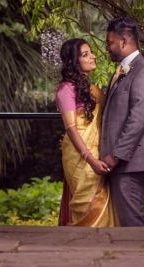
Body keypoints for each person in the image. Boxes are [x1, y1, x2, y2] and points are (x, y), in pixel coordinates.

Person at [100, 16, 144, 226]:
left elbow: (138, 120)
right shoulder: (125, 70)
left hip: (130, 163)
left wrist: (116, 155)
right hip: (122, 164)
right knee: (125, 221)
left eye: (110, 42)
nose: (108, 48)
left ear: (124, 42)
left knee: (133, 222)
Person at [56, 38, 119, 227]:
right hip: (80, 158)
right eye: (85, 54)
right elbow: (71, 128)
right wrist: (90, 160)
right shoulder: (65, 89)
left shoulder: (92, 89)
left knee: (103, 203)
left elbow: (109, 112)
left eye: (90, 52)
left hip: (98, 152)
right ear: (74, 62)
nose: (93, 56)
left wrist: (116, 80)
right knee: (86, 205)